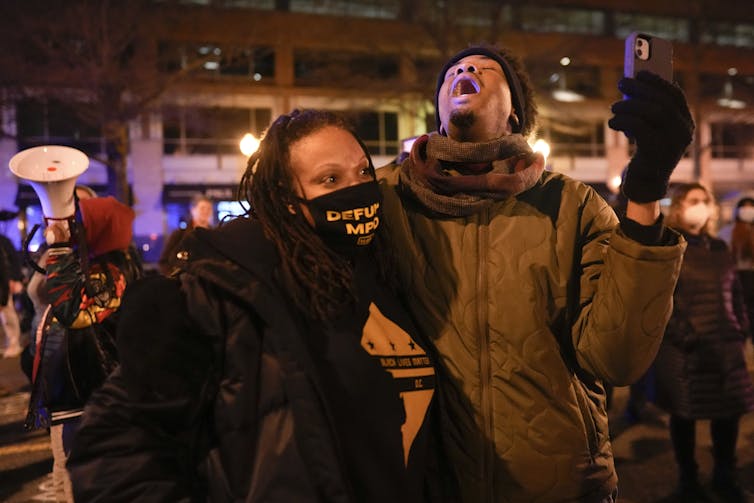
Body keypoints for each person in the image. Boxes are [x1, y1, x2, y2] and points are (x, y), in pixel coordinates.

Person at [67, 109, 447, 502]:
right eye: (330, 179)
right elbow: (112, 454)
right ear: (285, 199)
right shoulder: (223, 292)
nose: (356, 188)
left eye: (363, 173)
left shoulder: (383, 275)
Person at [377, 44, 693, 502]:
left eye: (488, 70)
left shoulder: (572, 204)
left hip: (559, 484)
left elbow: (617, 359)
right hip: (431, 482)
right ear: (440, 112)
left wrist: (645, 191)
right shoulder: (386, 198)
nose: (465, 70)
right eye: (454, 72)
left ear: (515, 115)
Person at [24, 185, 142, 502]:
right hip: (72, 388)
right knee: (65, 474)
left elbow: (72, 312)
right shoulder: (99, 264)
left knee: (78, 479)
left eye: (81, 222)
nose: (75, 228)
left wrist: (62, 250)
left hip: (87, 390)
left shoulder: (112, 272)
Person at [653, 182, 754, 502]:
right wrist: (681, 334)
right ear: (679, 207)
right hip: (688, 350)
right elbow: (658, 300)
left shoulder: (718, 248)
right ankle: (688, 479)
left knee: (728, 414)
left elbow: (734, 291)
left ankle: (725, 474)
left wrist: (741, 325)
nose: (701, 206)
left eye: (705, 201)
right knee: (684, 415)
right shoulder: (668, 246)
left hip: (726, 347)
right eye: (694, 200)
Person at [158, 192, 213, 274]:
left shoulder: (214, 235)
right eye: (202, 208)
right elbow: (164, 262)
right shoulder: (179, 235)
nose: (206, 211)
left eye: (209, 209)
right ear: (193, 210)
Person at [0, 233, 23, 358]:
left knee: (7, 313)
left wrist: (14, 278)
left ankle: (14, 343)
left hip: (4, 283)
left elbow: (12, 262)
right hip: (4, 281)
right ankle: (10, 343)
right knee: (6, 315)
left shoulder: (4, 241)